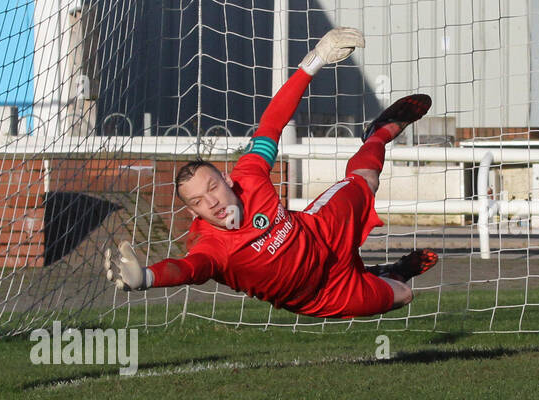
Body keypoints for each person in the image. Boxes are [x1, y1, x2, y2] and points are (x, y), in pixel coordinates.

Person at [104, 26, 438, 319]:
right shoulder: (212, 247)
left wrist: (315, 60)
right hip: (321, 294)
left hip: (322, 231)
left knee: (365, 180)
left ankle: (380, 132)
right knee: (402, 295)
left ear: (228, 180)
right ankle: (386, 274)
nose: (212, 202)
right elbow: (188, 269)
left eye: (213, 187)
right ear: (193, 213)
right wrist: (148, 278)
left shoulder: (250, 174)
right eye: (199, 202)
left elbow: (273, 122)